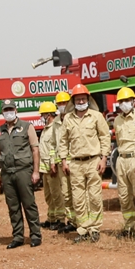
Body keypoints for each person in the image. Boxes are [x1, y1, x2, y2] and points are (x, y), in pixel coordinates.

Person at [59, 84, 111, 242]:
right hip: (75, 163)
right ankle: (82, 229)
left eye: (83, 98)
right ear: (73, 101)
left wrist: (103, 158)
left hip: (93, 161)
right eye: (78, 99)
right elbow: (63, 141)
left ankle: (94, 228)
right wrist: (63, 160)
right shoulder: (68, 119)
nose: (81, 101)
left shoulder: (96, 116)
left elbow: (105, 138)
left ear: (88, 99)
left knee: (94, 196)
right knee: (78, 198)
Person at [0, 100, 42, 249]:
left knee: (29, 204)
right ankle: (17, 236)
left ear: (16, 110)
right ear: (3, 112)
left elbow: (35, 150)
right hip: (7, 173)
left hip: (23, 171)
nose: (8, 112)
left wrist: (36, 171)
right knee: (13, 207)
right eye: (6, 110)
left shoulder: (26, 127)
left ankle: (35, 235)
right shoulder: (0, 130)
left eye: (11, 109)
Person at [111, 86, 135, 239]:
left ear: (134, 101)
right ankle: (129, 227)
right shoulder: (117, 120)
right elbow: (118, 141)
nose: (124, 103)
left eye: (127, 100)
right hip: (122, 159)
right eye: (121, 101)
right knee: (124, 196)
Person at [36, 101, 64, 228]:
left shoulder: (55, 127)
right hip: (44, 166)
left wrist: (54, 163)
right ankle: (51, 218)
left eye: (43, 114)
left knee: (57, 194)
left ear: (49, 114)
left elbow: (55, 147)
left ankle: (60, 220)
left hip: (52, 166)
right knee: (48, 195)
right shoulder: (46, 128)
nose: (42, 117)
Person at [53, 91, 76, 232]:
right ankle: (72, 221)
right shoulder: (55, 122)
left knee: (78, 192)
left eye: (64, 103)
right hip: (62, 163)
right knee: (66, 193)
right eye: (60, 103)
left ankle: (83, 221)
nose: (62, 106)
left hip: (75, 161)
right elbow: (53, 144)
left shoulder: (74, 118)